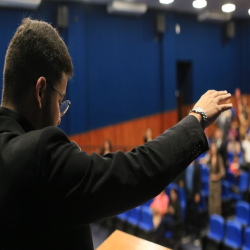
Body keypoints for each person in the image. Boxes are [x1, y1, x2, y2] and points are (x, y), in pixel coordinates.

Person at [0, 17, 232, 249]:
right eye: (60, 100)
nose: (60, 116)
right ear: (40, 91)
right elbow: (134, 172)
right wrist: (197, 118)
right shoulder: (37, 156)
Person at [181, 160, 202, 246]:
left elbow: (199, 181)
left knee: (195, 215)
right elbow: (184, 176)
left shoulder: (197, 166)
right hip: (187, 193)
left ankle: (197, 236)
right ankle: (187, 233)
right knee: (187, 214)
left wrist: (198, 193)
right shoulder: (186, 164)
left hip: (194, 194)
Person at [208, 142, 225, 215]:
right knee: (211, 203)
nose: (213, 150)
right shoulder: (210, 158)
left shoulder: (219, 158)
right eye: (212, 148)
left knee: (217, 204)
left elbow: (223, 172)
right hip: (211, 184)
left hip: (217, 184)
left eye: (214, 148)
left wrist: (216, 176)